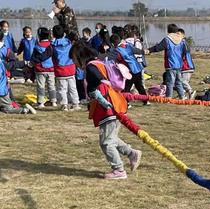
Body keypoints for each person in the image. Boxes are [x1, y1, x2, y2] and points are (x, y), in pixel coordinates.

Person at [69, 42, 142, 180]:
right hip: (115, 103)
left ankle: (119, 170)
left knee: (106, 142)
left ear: (80, 57)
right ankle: (132, 153)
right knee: (111, 138)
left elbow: (98, 80)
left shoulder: (91, 67)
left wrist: (95, 92)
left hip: (108, 107)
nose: (74, 63)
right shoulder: (99, 62)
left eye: (73, 59)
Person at [0, 33, 35, 114]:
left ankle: (20, 108)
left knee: (8, 106)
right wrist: (25, 63)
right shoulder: (5, 51)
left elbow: (13, 62)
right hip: (3, 84)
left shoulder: (5, 50)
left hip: (3, 83)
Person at [110, 33, 149, 106]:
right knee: (139, 85)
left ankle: (126, 103)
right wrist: (144, 51)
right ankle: (146, 100)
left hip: (131, 71)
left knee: (126, 87)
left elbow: (114, 60)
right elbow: (137, 50)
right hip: (138, 68)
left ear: (112, 43)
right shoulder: (127, 45)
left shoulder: (117, 51)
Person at [149, 24, 186, 99]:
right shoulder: (181, 40)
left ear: (168, 31)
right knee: (178, 82)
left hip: (170, 64)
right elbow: (185, 51)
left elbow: (158, 47)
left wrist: (149, 50)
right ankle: (182, 97)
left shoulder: (167, 39)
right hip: (179, 64)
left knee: (170, 82)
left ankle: (168, 97)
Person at [51, 25, 80, 111]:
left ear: (53, 34)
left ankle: (64, 105)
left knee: (62, 89)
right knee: (73, 87)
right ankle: (76, 103)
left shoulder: (53, 45)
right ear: (63, 34)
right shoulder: (69, 43)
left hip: (60, 70)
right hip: (71, 68)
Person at [31, 27, 57, 109]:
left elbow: (33, 58)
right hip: (51, 69)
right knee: (51, 86)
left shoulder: (37, 46)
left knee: (40, 86)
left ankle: (41, 102)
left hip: (40, 70)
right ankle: (54, 101)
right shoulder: (51, 46)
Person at [178, 28, 196, 99]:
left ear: (183, 35)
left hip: (187, 67)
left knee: (182, 81)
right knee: (183, 81)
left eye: (179, 34)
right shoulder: (181, 43)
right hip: (183, 67)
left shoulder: (183, 43)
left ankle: (190, 92)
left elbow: (183, 53)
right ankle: (183, 95)